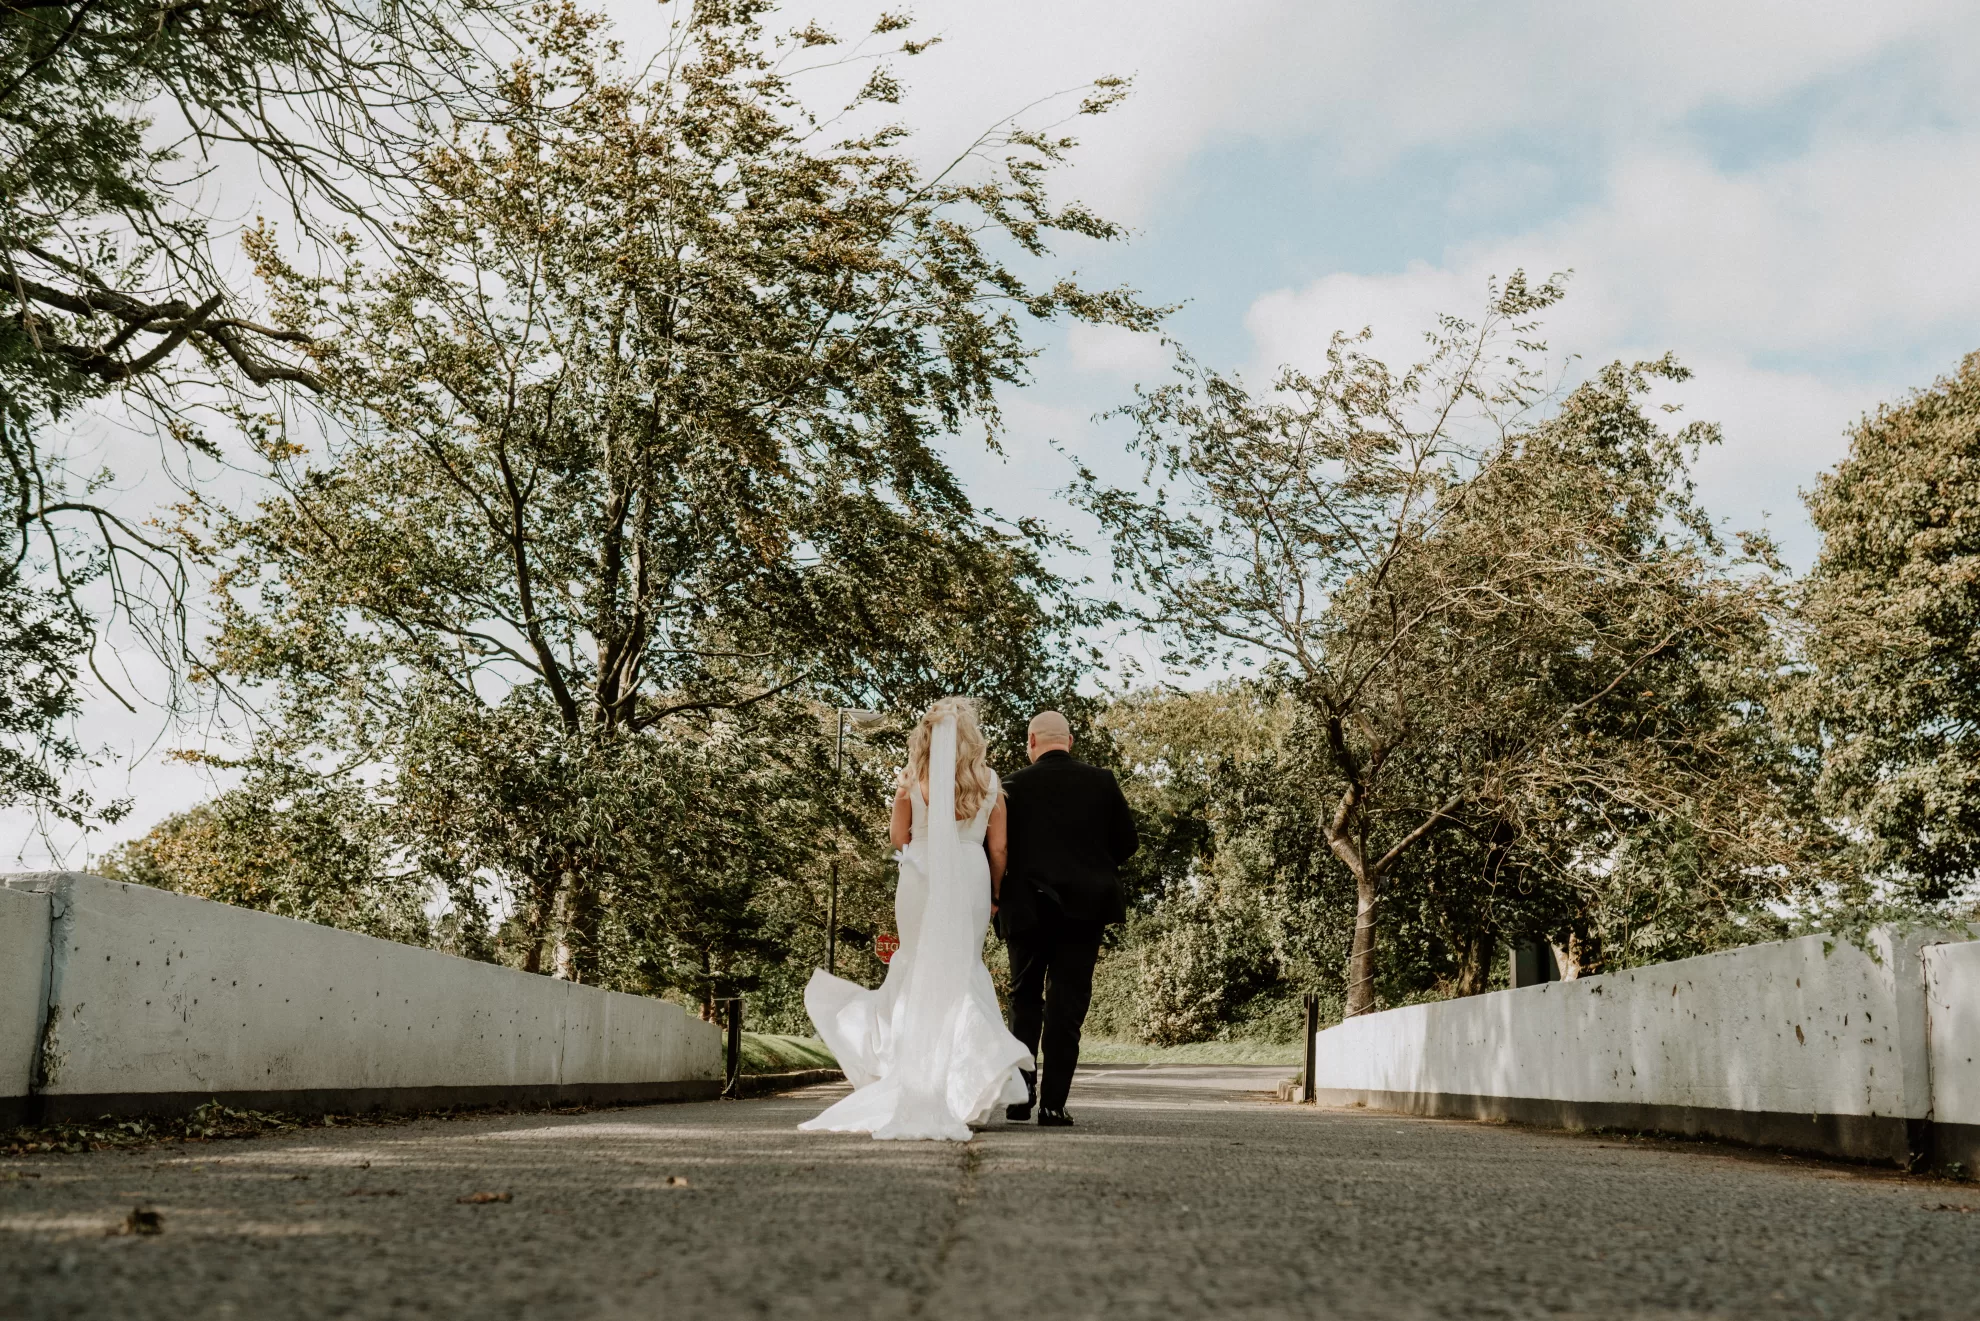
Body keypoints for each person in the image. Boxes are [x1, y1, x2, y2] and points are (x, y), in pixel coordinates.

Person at [799, 697, 1032, 1141]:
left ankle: (910, 1073)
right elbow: (999, 849)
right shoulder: (990, 782)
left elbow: (897, 837)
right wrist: (997, 893)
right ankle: (964, 1087)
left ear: (926, 736)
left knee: (914, 967)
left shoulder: (910, 781)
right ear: (971, 736)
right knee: (962, 968)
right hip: (969, 874)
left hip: (921, 874)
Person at [997, 709, 1139, 1126]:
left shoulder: (1011, 786)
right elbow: (1127, 843)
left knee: (1025, 1002)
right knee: (1067, 1004)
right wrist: (1091, 867)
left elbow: (998, 848)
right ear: (1070, 741)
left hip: (1026, 906)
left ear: (1031, 742)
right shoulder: (1102, 781)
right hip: (1084, 908)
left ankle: (1021, 1095)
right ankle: (1054, 1104)